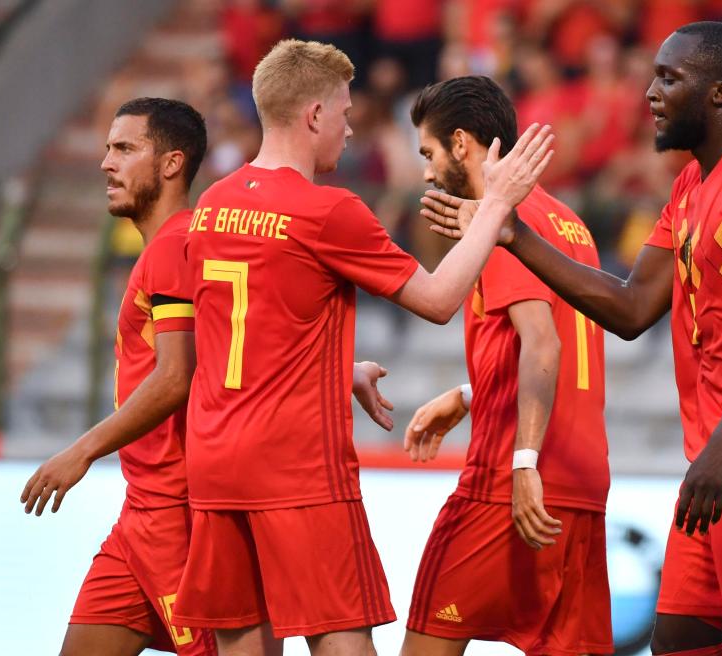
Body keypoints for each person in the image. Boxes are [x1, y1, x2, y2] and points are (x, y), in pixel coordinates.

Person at [421, 21, 722, 656]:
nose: (650, 92)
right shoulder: (690, 187)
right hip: (720, 459)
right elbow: (629, 307)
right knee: (678, 637)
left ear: (720, 92)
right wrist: (511, 234)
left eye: (669, 78)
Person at [170, 40, 553, 656]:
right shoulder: (328, 211)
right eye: (345, 115)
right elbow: (437, 300)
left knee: (242, 639)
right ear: (315, 115)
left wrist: (333, 370)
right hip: (296, 466)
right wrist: (498, 204)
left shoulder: (212, 204)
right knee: (341, 638)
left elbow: (233, 335)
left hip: (215, 461)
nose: (350, 131)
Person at [19, 97, 396, 656]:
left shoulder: (175, 248)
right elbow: (239, 346)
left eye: (124, 148)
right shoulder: (177, 246)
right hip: (138, 517)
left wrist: (82, 450)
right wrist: (342, 371)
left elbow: (178, 376)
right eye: (107, 148)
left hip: (180, 515)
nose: (106, 163)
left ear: (172, 164)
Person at [401, 76, 612, 656]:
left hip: (512, 483)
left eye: (428, 152)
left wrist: (523, 464)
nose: (424, 171)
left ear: (462, 143)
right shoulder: (569, 223)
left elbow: (543, 343)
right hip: (583, 485)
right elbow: (553, 344)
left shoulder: (498, 222)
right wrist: (469, 395)